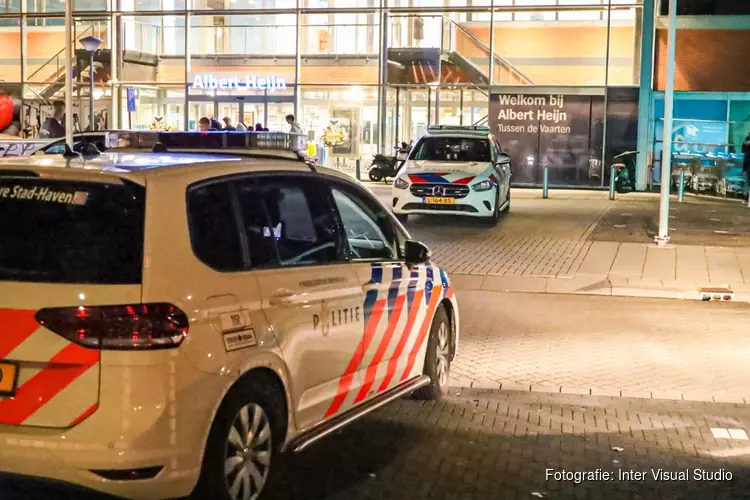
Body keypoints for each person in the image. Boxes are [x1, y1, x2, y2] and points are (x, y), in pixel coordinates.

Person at [742, 132, 750, 200]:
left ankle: (747, 197)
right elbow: (744, 149)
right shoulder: (747, 139)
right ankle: (746, 197)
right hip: (747, 163)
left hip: (747, 163)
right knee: (747, 181)